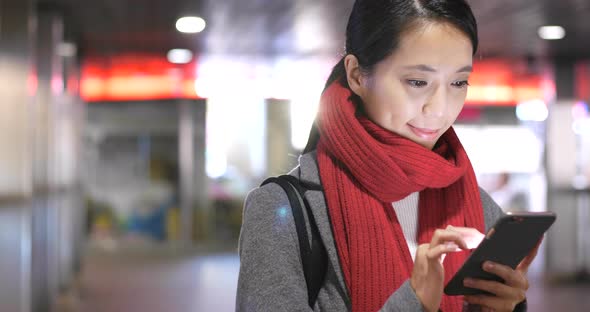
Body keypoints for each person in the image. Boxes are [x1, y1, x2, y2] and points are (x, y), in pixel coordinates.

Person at [237, 0, 538, 311]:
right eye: (417, 82)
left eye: (458, 82)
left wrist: (509, 307)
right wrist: (413, 302)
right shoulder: (281, 209)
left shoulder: (476, 205)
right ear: (356, 75)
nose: (439, 108)